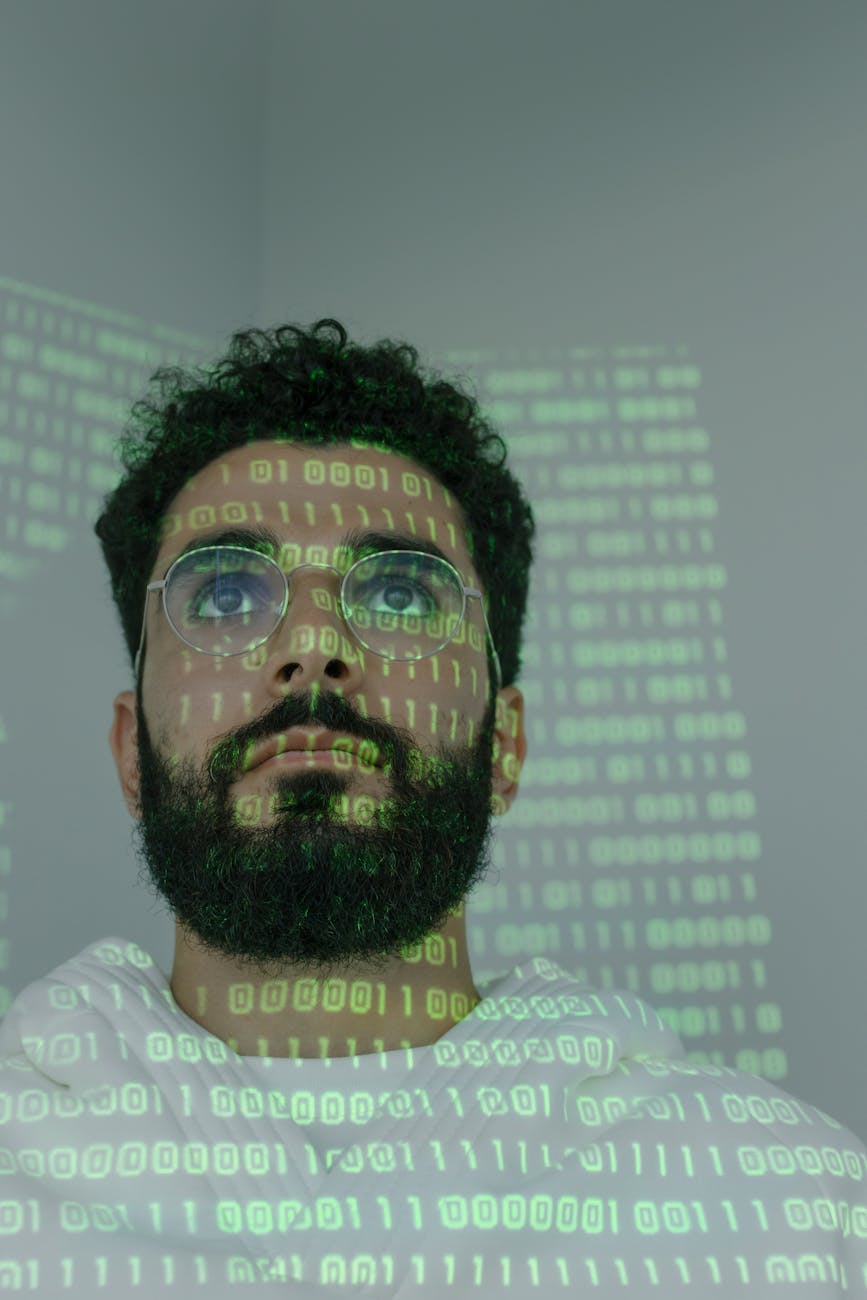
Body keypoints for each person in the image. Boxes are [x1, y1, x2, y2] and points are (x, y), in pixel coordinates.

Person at [0, 320, 864, 1298]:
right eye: (228, 593)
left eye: (403, 595)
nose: (314, 642)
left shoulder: (795, 1211)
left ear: (504, 744)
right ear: (131, 750)